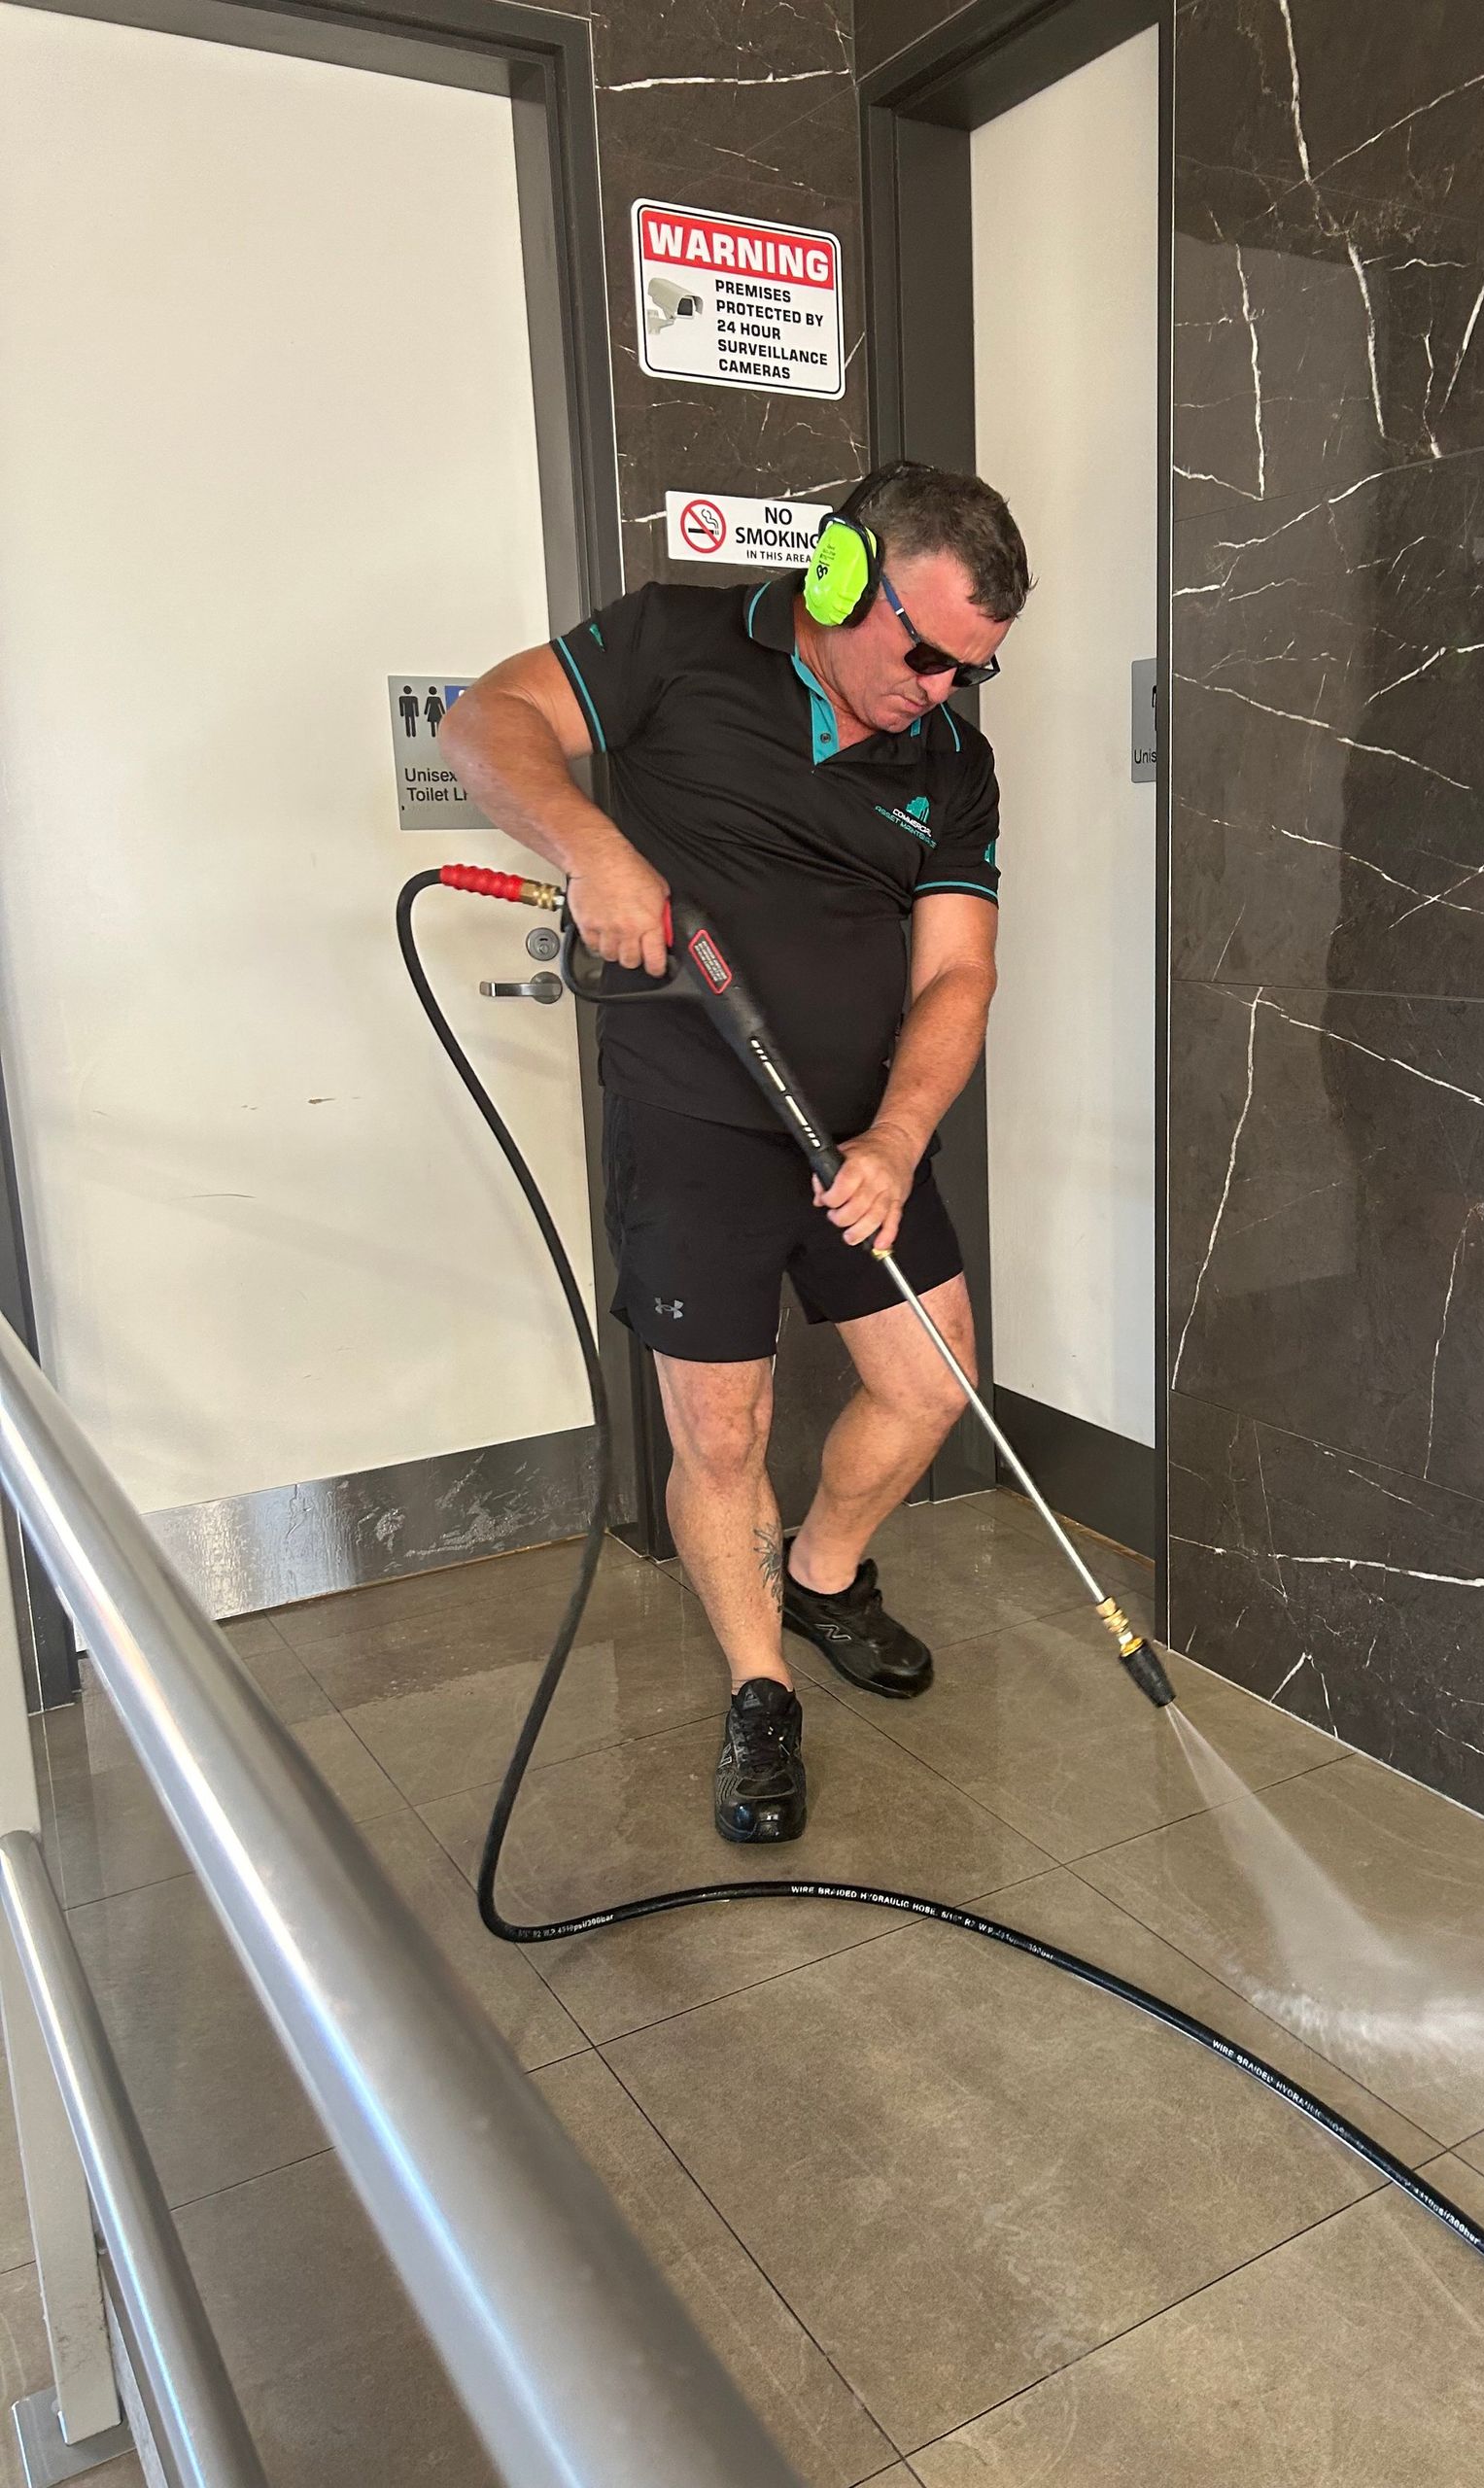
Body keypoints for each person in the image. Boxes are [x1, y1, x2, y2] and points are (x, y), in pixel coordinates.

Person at [439, 463, 1030, 1845]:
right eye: (927, 652)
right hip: (691, 1116)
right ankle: (760, 1682)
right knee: (724, 1429)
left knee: (930, 1385)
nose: (940, 689)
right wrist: (592, 847)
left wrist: (897, 1134)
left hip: (857, 1134)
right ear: (839, 577)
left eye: (975, 669)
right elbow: (486, 722)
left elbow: (958, 978)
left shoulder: (953, 762)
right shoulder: (674, 642)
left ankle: (822, 1578)